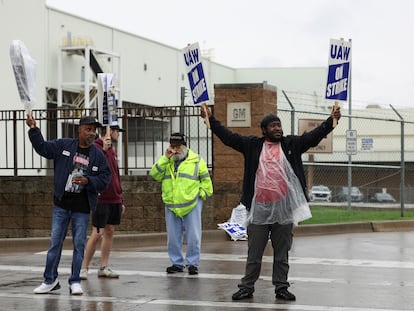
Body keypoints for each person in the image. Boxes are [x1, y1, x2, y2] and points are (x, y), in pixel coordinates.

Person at [200, 105, 341, 301]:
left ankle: (281, 287)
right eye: (273, 126)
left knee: (282, 253)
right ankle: (247, 287)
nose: (277, 128)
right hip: (259, 210)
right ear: (264, 129)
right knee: (254, 253)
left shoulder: (291, 144)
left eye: (279, 125)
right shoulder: (252, 145)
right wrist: (211, 120)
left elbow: (313, 137)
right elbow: (229, 137)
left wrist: (331, 121)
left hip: (284, 209)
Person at [26, 115, 111, 295]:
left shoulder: (97, 154)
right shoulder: (64, 145)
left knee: (79, 244)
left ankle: (74, 281)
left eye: (93, 130)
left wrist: (88, 180)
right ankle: (50, 280)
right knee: (55, 243)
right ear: (79, 130)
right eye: (87, 129)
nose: (91, 133)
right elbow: (43, 148)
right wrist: (34, 129)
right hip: (61, 205)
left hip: (82, 208)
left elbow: (105, 178)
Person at [150, 133, 213, 275]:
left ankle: (192, 263)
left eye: (178, 146)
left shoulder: (197, 160)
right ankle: (177, 263)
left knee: (194, 236)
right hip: (172, 204)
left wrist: (200, 196)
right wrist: (165, 158)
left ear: (184, 146)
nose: (175, 149)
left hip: (191, 203)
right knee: (172, 236)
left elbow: (207, 183)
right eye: (173, 146)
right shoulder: (167, 161)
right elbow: (154, 174)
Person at [80, 125, 126, 280]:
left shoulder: (112, 150)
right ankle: (83, 268)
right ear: (110, 131)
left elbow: (116, 175)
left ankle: (103, 266)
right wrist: (105, 151)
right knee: (97, 232)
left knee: (110, 230)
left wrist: (121, 198)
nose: (118, 134)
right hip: (101, 197)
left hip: (114, 197)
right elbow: (95, 169)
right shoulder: (96, 149)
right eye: (117, 131)